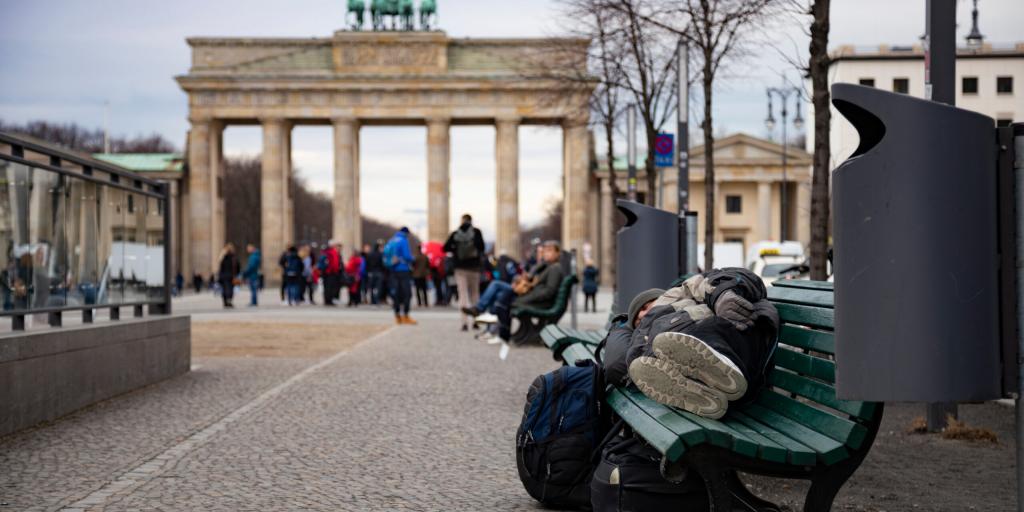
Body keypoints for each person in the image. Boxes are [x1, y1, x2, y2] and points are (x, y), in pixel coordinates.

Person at [603, 269, 779, 420]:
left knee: (703, 330)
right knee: (648, 359)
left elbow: (738, 276)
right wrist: (624, 330)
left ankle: (723, 366)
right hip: (719, 381)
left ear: (661, 296)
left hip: (734, 337)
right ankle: (704, 392)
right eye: (635, 320)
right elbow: (615, 365)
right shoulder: (639, 340)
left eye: (645, 306)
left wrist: (722, 295)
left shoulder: (680, 293)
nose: (641, 315)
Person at [465, 240, 565, 357]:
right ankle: (498, 332)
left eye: (549, 251)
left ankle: (496, 329)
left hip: (541, 302)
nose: (545, 254)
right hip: (533, 297)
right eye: (545, 251)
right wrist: (539, 264)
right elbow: (532, 277)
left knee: (499, 293)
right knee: (499, 298)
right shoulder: (547, 266)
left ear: (558, 253)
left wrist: (527, 297)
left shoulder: (554, 268)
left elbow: (549, 291)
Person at [443, 214, 485, 331]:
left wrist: (455, 249)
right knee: (474, 295)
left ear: (461, 221)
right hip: (474, 268)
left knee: (463, 295)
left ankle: (464, 322)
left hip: (460, 268)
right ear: (471, 221)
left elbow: (445, 248)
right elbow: (482, 247)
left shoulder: (456, 233)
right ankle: (476, 321)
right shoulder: (476, 232)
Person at [384, 227, 416, 324]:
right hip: (403, 270)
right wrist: (413, 259)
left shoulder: (392, 240)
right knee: (407, 293)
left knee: (396, 293)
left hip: (393, 270)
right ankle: (406, 316)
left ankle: (397, 316)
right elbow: (407, 256)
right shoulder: (403, 240)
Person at [319, 240, 342, 306]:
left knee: (326, 287)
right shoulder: (332, 252)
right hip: (331, 272)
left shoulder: (325, 252)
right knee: (330, 287)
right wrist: (336, 270)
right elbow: (335, 264)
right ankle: (329, 300)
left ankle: (327, 300)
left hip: (325, 272)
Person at [217, 243, 240, 308]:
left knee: (224, 289)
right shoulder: (234, 258)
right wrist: (237, 274)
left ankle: (225, 301)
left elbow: (221, 268)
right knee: (230, 289)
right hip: (231, 276)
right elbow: (238, 267)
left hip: (223, 276)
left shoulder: (223, 257)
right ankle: (229, 301)